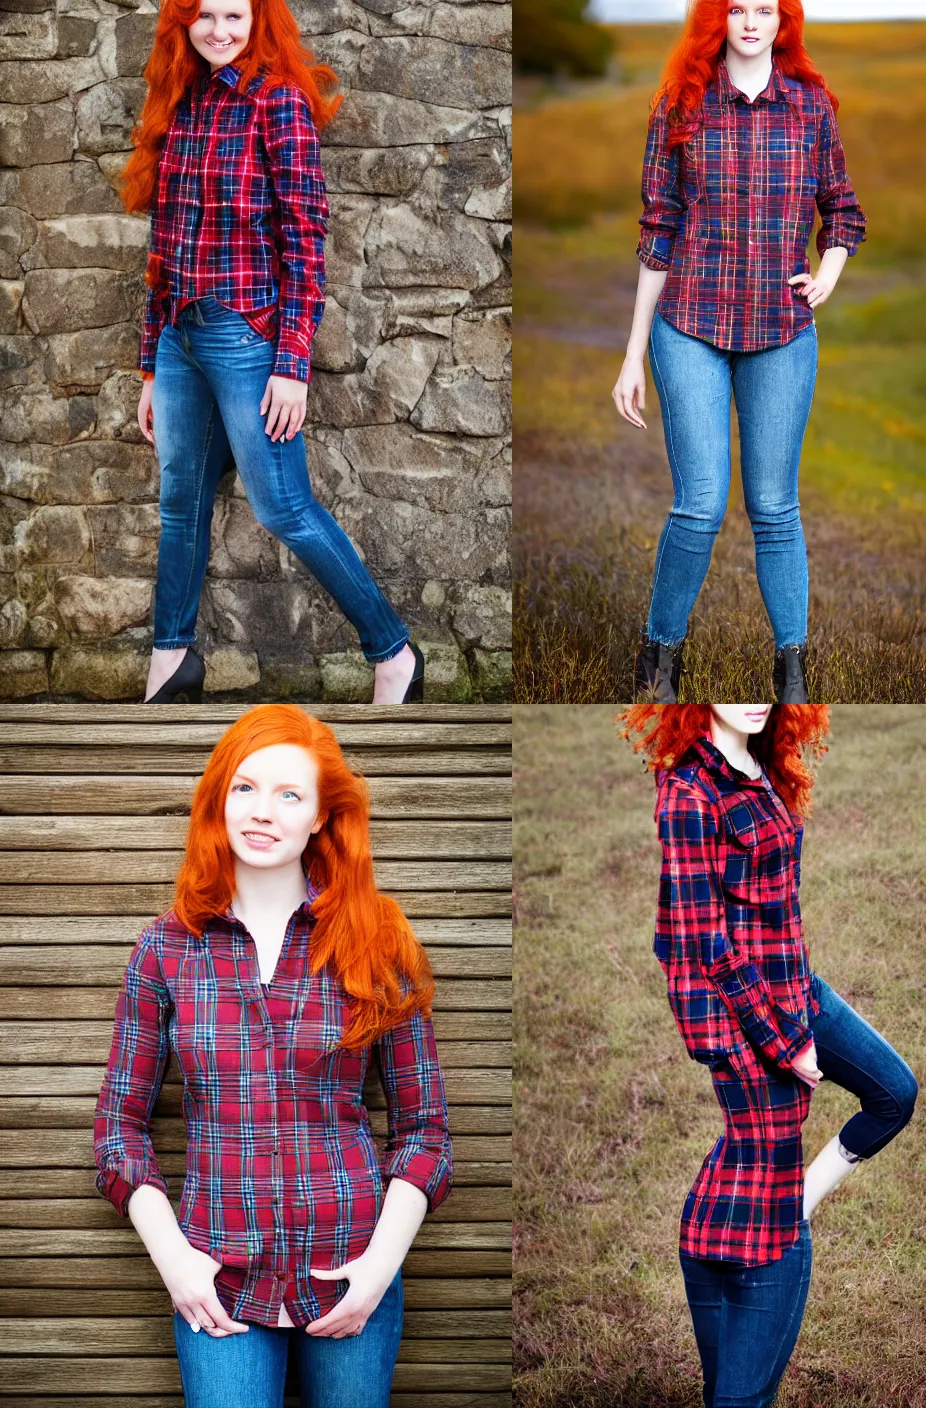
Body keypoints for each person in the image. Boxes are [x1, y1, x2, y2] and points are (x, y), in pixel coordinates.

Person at [93, 705, 453, 1406]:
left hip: (351, 1274)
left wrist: (378, 1271)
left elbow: (423, 1132)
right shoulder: (164, 951)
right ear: (219, 800)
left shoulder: (376, 942)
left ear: (322, 816)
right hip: (216, 1281)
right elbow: (118, 1130)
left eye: (290, 795)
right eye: (246, 788)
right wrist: (177, 1264)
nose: (264, 813)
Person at [115, 0, 423, 703]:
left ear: (259, 21)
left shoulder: (276, 103)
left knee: (282, 506)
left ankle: (394, 653)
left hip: (247, 334)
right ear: (181, 23)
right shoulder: (181, 101)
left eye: (234, 15)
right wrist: (149, 364)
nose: (219, 30)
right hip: (178, 336)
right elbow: (162, 247)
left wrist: (291, 364)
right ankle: (170, 663)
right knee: (179, 502)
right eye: (204, 16)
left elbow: (306, 237)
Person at [619, 703, 918, 1408]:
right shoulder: (687, 791)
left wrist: (803, 1011)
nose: (752, 696)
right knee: (763, 1158)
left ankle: (798, 1201)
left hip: (798, 983)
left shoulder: (765, 766)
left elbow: (775, 905)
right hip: (747, 1009)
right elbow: (702, 940)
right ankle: (741, 1253)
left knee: (893, 1092)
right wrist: (784, 1042)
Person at [612, 0, 866, 704]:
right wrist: (633, 354)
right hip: (689, 322)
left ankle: (793, 677)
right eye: (737, 8)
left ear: (784, 20)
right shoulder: (681, 105)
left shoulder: (810, 108)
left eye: (765, 9)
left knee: (775, 507)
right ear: (717, 18)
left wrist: (827, 277)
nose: (751, 22)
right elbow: (658, 230)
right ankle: (659, 665)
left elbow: (842, 209)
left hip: (781, 331)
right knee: (699, 506)